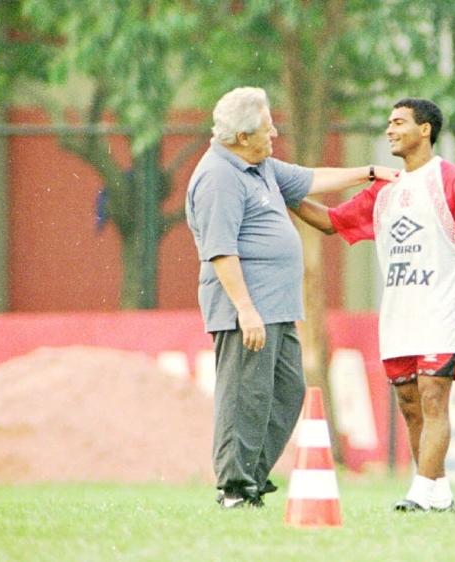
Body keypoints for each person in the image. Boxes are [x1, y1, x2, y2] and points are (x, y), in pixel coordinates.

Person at [185, 86, 397, 509]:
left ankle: (253, 479)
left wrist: (370, 172)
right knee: (244, 395)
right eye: (266, 128)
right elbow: (221, 250)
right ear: (242, 136)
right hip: (246, 310)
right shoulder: (219, 177)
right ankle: (234, 488)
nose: (275, 133)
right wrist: (245, 310)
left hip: (278, 308)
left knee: (285, 391)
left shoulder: (259, 166)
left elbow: (311, 178)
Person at [292, 98, 455, 512]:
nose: (389, 129)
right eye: (387, 122)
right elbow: (331, 222)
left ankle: (420, 491)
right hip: (399, 318)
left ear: (425, 130)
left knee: (434, 397)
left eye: (399, 122)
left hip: (441, 313)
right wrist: (283, 192)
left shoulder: (454, 181)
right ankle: (439, 493)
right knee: (409, 406)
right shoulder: (384, 190)